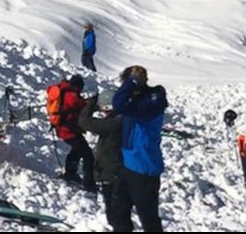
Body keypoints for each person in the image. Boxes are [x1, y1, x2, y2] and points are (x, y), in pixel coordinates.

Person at [111, 66, 168, 233]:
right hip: (127, 165)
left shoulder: (153, 98)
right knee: (119, 212)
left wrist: (133, 82)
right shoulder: (135, 100)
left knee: (148, 218)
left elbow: (118, 104)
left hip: (144, 168)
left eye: (128, 83)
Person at [79, 94, 123, 229]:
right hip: (117, 170)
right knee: (116, 211)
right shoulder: (122, 118)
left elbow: (84, 121)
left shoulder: (114, 123)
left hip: (112, 171)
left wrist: (90, 105)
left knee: (114, 213)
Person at [47, 74, 96, 192]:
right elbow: (77, 104)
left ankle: (70, 173)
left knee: (77, 150)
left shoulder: (64, 91)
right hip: (67, 130)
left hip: (65, 129)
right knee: (88, 155)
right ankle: (88, 183)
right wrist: (91, 103)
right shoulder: (71, 94)